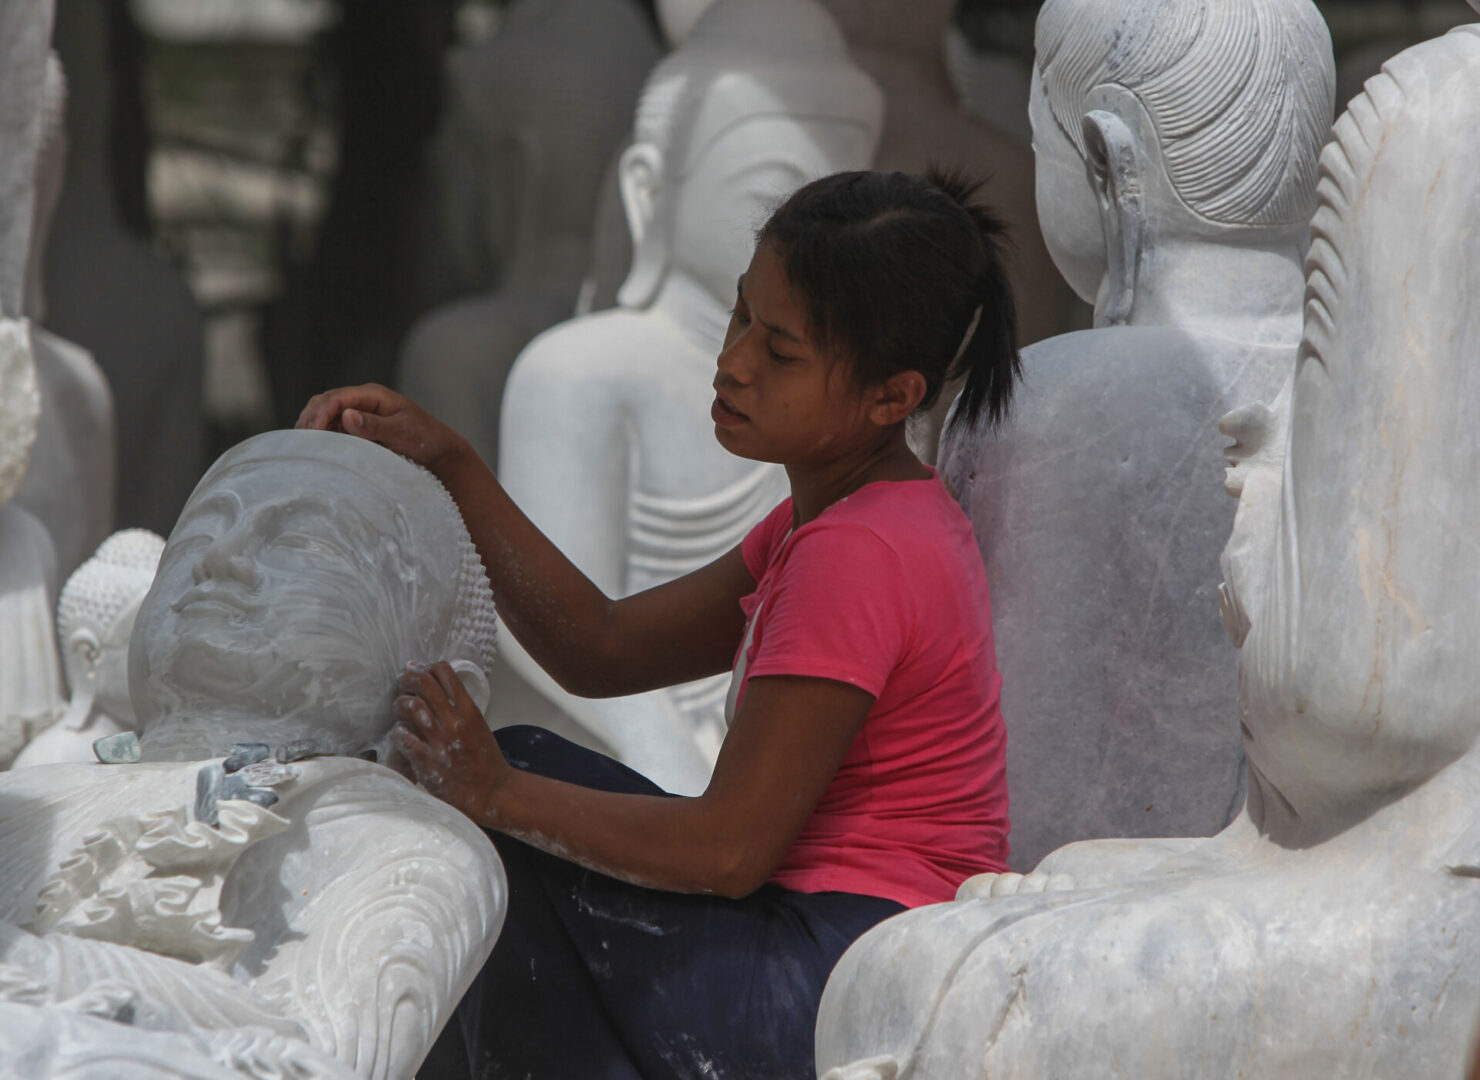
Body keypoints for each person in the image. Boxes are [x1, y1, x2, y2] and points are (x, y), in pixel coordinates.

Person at [297, 168, 1020, 1080]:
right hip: (816, 941)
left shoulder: (861, 551)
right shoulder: (831, 518)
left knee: (504, 826)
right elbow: (599, 647)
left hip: (842, 973)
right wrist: (451, 460)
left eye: (783, 352)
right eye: (739, 316)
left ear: (890, 397)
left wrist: (493, 794)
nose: (736, 361)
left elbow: (728, 850)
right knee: (519, 776)